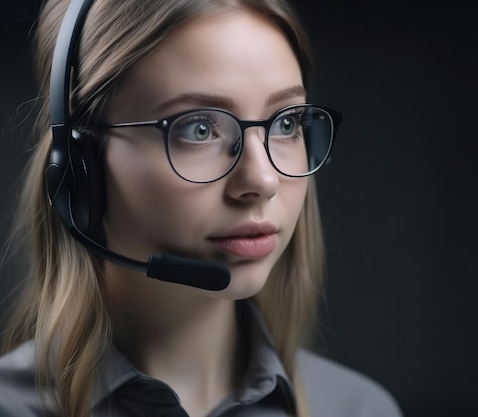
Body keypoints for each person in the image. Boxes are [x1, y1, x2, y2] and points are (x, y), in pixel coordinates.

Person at [0, 0, 404, 416]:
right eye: (199, 128)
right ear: (80, 169)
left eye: (286, 123)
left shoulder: (359, 408)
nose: (262, 181)